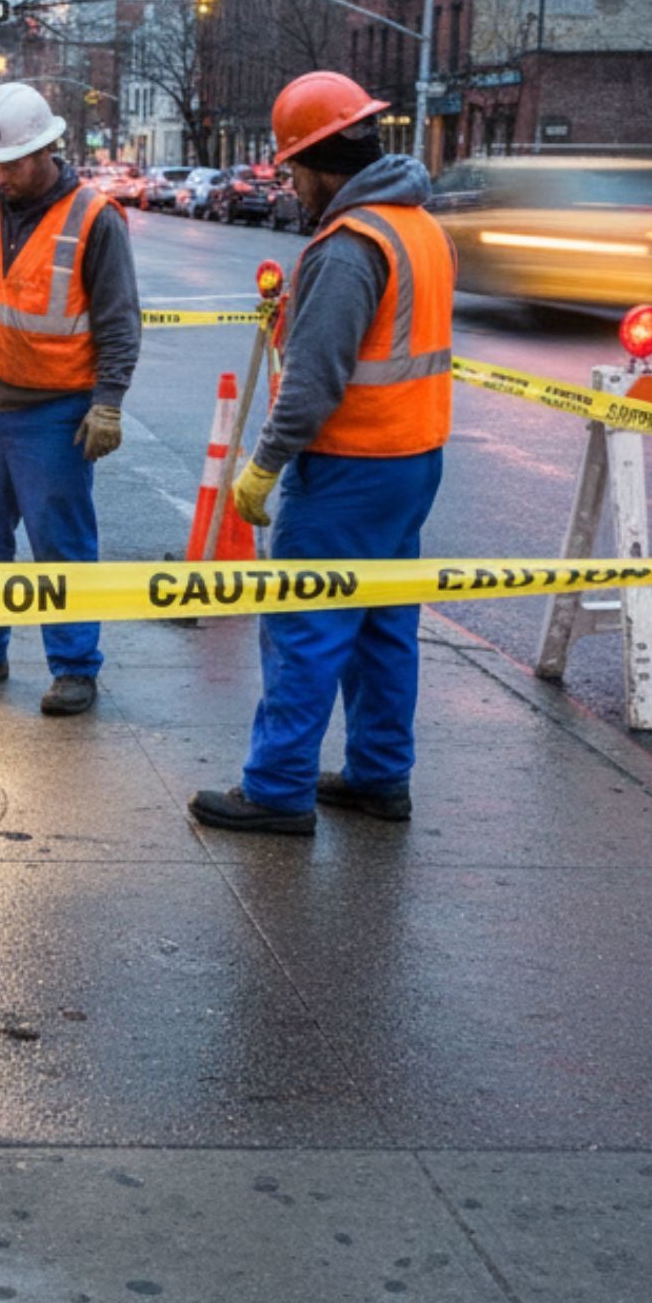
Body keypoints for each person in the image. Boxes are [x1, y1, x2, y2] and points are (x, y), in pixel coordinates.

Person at [190, 71, 456, 836]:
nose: (292, 187)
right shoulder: (419, 229)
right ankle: (380, 776)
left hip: (347, 467)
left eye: (292, 170)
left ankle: (276, 789)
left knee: (305, 624)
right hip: (412, 461)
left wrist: (265, 462)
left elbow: (313, 382)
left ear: (316, 161)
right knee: (382, 624)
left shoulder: (349, 247)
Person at [0, 82, 142, 716]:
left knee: (60, 544)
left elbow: (120, 320)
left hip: (54, 412)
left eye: (13, 164)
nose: (2, 176)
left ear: (48, 151)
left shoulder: (94, 218)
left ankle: (74, 668)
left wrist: (109, 400)